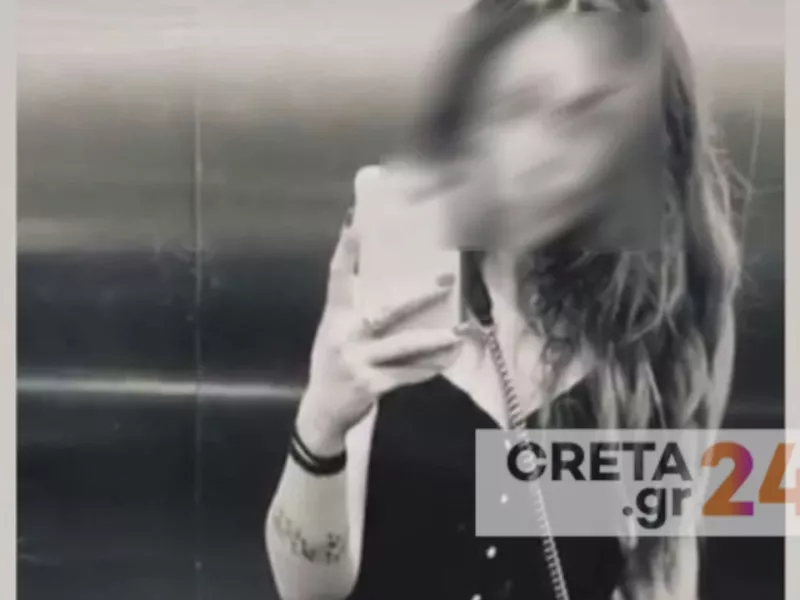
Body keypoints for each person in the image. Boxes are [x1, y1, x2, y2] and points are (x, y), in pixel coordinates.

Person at [265, 1, 741, 599]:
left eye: (584, 116)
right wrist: (323, 421)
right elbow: (308, 591)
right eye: (519, 104)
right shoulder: (402, 283)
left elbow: (660, 564)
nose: (541, 150)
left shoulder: (660, 324)